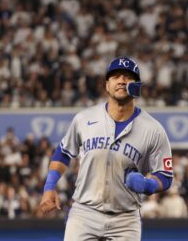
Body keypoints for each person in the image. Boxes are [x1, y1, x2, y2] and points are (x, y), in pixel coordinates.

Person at [38, 57, 173, 241]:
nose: (122, 81)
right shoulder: (84, 118)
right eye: (116, 76)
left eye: (128, 77)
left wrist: (148, 185)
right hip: (84, 213)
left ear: (137, 86)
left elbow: (165, 175)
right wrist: (49, 186)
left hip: (126, 218)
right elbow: (63, 153)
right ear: (107, 85)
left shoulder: (153, 129)